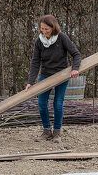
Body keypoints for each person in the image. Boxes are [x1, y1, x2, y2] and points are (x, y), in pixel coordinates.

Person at [25, 15, 81, 143]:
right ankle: (46, 131)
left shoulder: (62, 38)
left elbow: (76, 54)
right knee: (41, 103)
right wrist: (30, 82)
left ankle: (57, 132)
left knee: (58, 103)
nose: (44, 32)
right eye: (42, 29)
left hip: (61, 75)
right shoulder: (39, 41)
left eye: (46, 29)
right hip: (46, 75)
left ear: (53, 27)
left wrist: (75, 68)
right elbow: (35, 62)